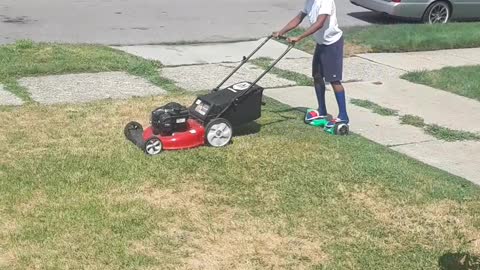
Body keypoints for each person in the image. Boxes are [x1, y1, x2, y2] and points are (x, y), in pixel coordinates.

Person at [273, 0, 349, 127]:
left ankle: (343, 116)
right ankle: (322, 110)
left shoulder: (325, 1)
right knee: (317, 76)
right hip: (321, 43)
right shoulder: (310, 2)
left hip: (332, 44)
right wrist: (281, 32)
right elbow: (298, 18)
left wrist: (299, 37)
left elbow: (319, 23)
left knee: (334, 80)